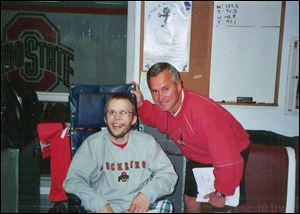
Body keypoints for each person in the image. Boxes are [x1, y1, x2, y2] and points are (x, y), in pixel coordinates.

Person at [131, 62, 251, 213]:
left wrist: (222, 192)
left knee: (220, 206)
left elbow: (228, 159)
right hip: (200, 154)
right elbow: (156, 117)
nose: (160, 97)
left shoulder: (203, 114)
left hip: (231, 154)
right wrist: (141, 104)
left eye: (165, 89)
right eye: (155, 91)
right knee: (190, 200)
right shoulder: (168, 107)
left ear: (179, 85)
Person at [63, 93, 178, 213]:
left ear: (133, 119)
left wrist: (147, 195)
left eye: (123, 112)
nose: (117, 118)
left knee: (165, 207)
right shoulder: (93, 145)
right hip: (105, 208)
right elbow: (73, 181)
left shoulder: (147, 143)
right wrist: (99, 204)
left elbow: (168, 175)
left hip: (140, 208)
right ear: (105, 118)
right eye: (111, 112)